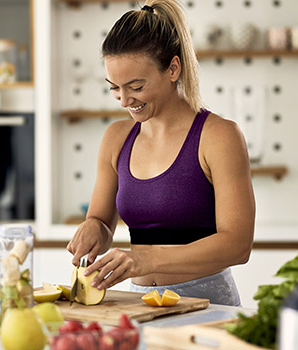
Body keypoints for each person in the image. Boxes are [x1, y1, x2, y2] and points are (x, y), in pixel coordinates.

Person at [66, 0, 255, 306]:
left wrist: (146, 260)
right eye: (114, 87)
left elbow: (238, 245)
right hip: (138, 305)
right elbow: (101, 223)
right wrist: (93, 229)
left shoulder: (219, 136)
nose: (124, 100)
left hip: (209, 306)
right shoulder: (116, 138)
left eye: (136, 86)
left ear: (173, 68)